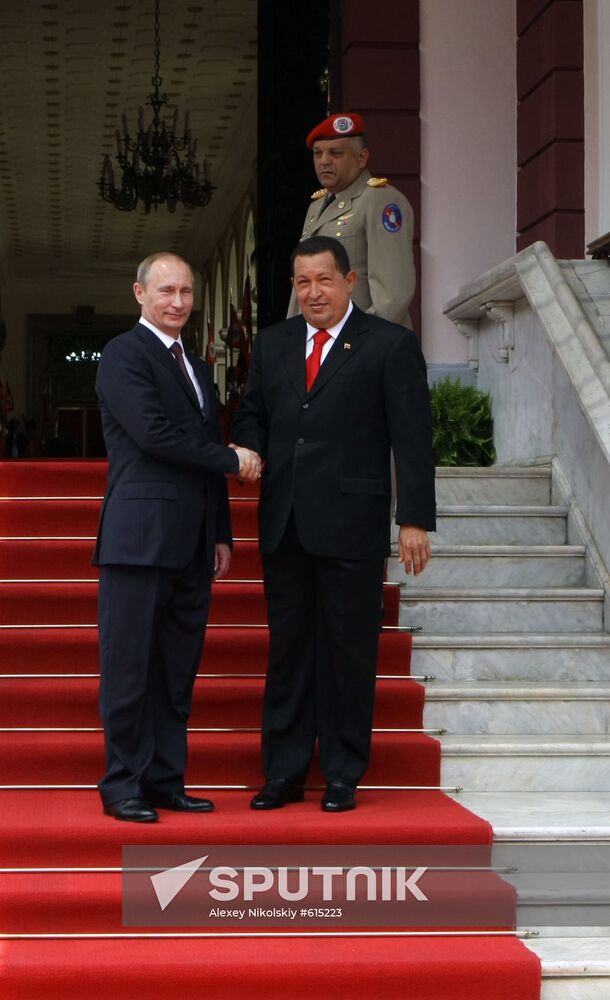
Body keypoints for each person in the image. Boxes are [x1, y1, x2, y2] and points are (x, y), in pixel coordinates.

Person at [232, 235, 435, 813]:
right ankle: (284, 773)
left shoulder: (389, 345)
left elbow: (412, 437)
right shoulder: (272, 345)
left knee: (349, 652)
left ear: (349, 281)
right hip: (286, 523)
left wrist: (414, 518)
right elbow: (254, 414)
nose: (313, 292)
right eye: (302, 282)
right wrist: (243, 448)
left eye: (324, 280)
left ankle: (344, 773)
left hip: (353, 525)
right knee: (289, 652)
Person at [93, 252, 261, 823]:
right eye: (166, 290)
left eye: (186, 292)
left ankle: (165, 779)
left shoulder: (194, 363)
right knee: (129, 670)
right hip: (138, 541)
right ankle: (122, 786)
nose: (178, 302)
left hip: (191, 543)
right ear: (139, 293)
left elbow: (198, 442)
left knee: (175, 673)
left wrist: (220, 531)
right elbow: (155, 435)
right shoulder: (124, 355)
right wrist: (231, 458)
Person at [287, 112, 416, 328]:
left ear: (362, 158)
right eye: (317, 154)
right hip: (324, 343)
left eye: (335, 153)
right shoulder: (316, 206)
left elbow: (392, 295)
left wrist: (357, 341)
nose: (324, 161)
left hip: (365, 347)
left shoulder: (380, 200)